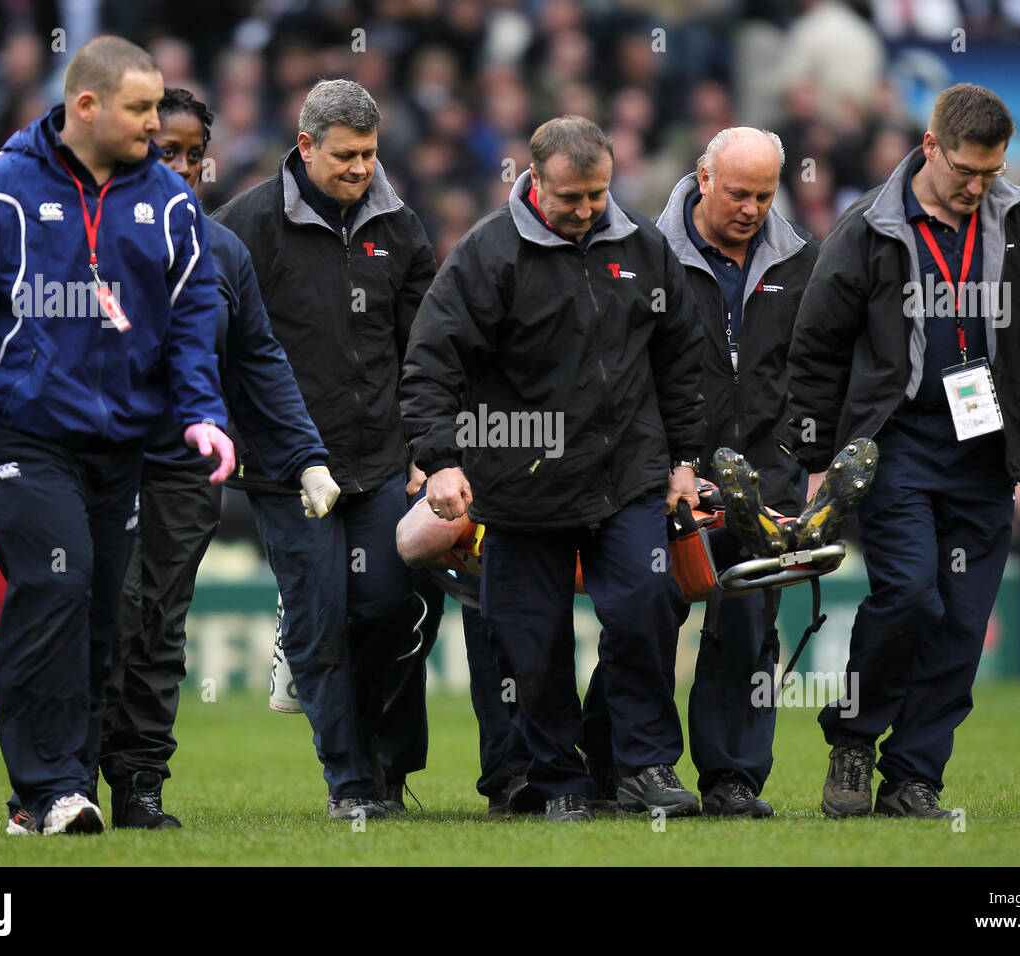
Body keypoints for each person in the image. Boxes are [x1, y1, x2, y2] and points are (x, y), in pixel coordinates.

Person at [788, 83, 1020, 819]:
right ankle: (854, 740)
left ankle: (915, 776)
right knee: (911, 593)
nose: (978, 188)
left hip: (984, 452)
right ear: (929, 147)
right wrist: (817, 460)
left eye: (992, 173)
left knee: (962, 622)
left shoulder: (1017, 224)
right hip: (894, 452)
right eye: (964, 173)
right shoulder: (866, 231)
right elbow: (815, 352)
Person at [0, 36, 235, 836]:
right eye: (139, 107)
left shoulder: (169, 201)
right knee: (56, 584)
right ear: (85, 106)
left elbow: (194, 319)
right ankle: (51, 787)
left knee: (100, 610)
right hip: (25, 436)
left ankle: (57, 793)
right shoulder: (2, 187)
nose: (155, 123)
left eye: (159, 105)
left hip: (121, 443)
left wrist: (202, 412)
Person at [401, 115, 706, 822]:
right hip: (518, 488)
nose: (587, 209)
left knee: (643, 612)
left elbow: (682, 360)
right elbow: (430, 363)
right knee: (532, 645)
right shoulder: (486, 256)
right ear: (533, 180)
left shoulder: (643, 246)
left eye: (598, 193)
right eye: (571, 196)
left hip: (626, 475)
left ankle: (644, 766)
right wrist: (441, 461)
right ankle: (557, 778)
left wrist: (684, 461)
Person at [98, 88, 335, 829]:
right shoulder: (81, 238)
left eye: (194, 154)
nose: (183, 166)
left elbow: (261, 360)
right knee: (92, 613)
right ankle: (61, 778)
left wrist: (307, 458)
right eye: (165, 150)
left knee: (159, 625)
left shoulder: (223, 252)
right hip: (90, 462)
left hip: (182, 468)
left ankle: (139, 783)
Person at [212, 79, 437, 820]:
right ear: (304, 146)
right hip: (285, 468)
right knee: (323, 618)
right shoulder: (244, 227)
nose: (360, 169)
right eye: (345, 155)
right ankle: (349, 783)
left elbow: (422, 348)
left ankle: (384, 758)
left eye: (370, 155)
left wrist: (423, 447)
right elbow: (218, 349)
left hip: (377, 462)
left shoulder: (400, 227)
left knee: (385, 607)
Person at [650, 126, 817, 817]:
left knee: (748, 626)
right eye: (739, 192)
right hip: (666, 478)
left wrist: (794, 467)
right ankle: (631, 764)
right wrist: (663, 463)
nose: (751, 208)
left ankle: (732, 779)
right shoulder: (645, 255)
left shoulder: (803, 260)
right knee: (646, 617)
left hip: (764, 480)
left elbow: (811, 372)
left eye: (765, 194)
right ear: (703, 178)